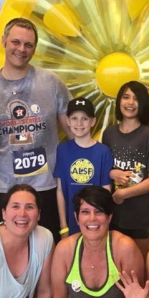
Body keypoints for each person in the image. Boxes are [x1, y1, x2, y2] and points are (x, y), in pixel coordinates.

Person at [0, 17, 72, 241]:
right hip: (2, 189)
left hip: (46, 187)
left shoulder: (52, 82)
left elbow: (74, 132)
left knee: (48, 251)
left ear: (34, 48)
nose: (21, 49)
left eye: (28, 45)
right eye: (16, 42)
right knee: (5, 254)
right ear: (3, 41)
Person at [52, 186, 146, 298]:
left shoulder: (124, 248)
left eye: (99, 211)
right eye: (85, 212)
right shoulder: (65, 250)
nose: (92, 218)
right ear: (76, 217)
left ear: (109, 217)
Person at [102, 81, 149, 258]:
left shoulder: (148, 135)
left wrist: (123, 194)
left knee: (143, 264)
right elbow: (103, 168)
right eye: (126, 97)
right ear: (119, 101)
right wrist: (112, 173)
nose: (130, 102)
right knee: (119, 264)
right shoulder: (109, 133)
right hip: (116, 215)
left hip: (143, 216)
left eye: (136, 98)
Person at [54, 97, 113, 237]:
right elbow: (60, 191)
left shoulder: (103, 151)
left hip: (96, 223)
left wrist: (104, 224)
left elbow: (106, 192)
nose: (79, 123)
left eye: (84, 119)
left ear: (93, 121)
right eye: (74, 118)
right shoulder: (62, 149)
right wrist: (63, 226)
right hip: (71, 224)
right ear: (67, 121)